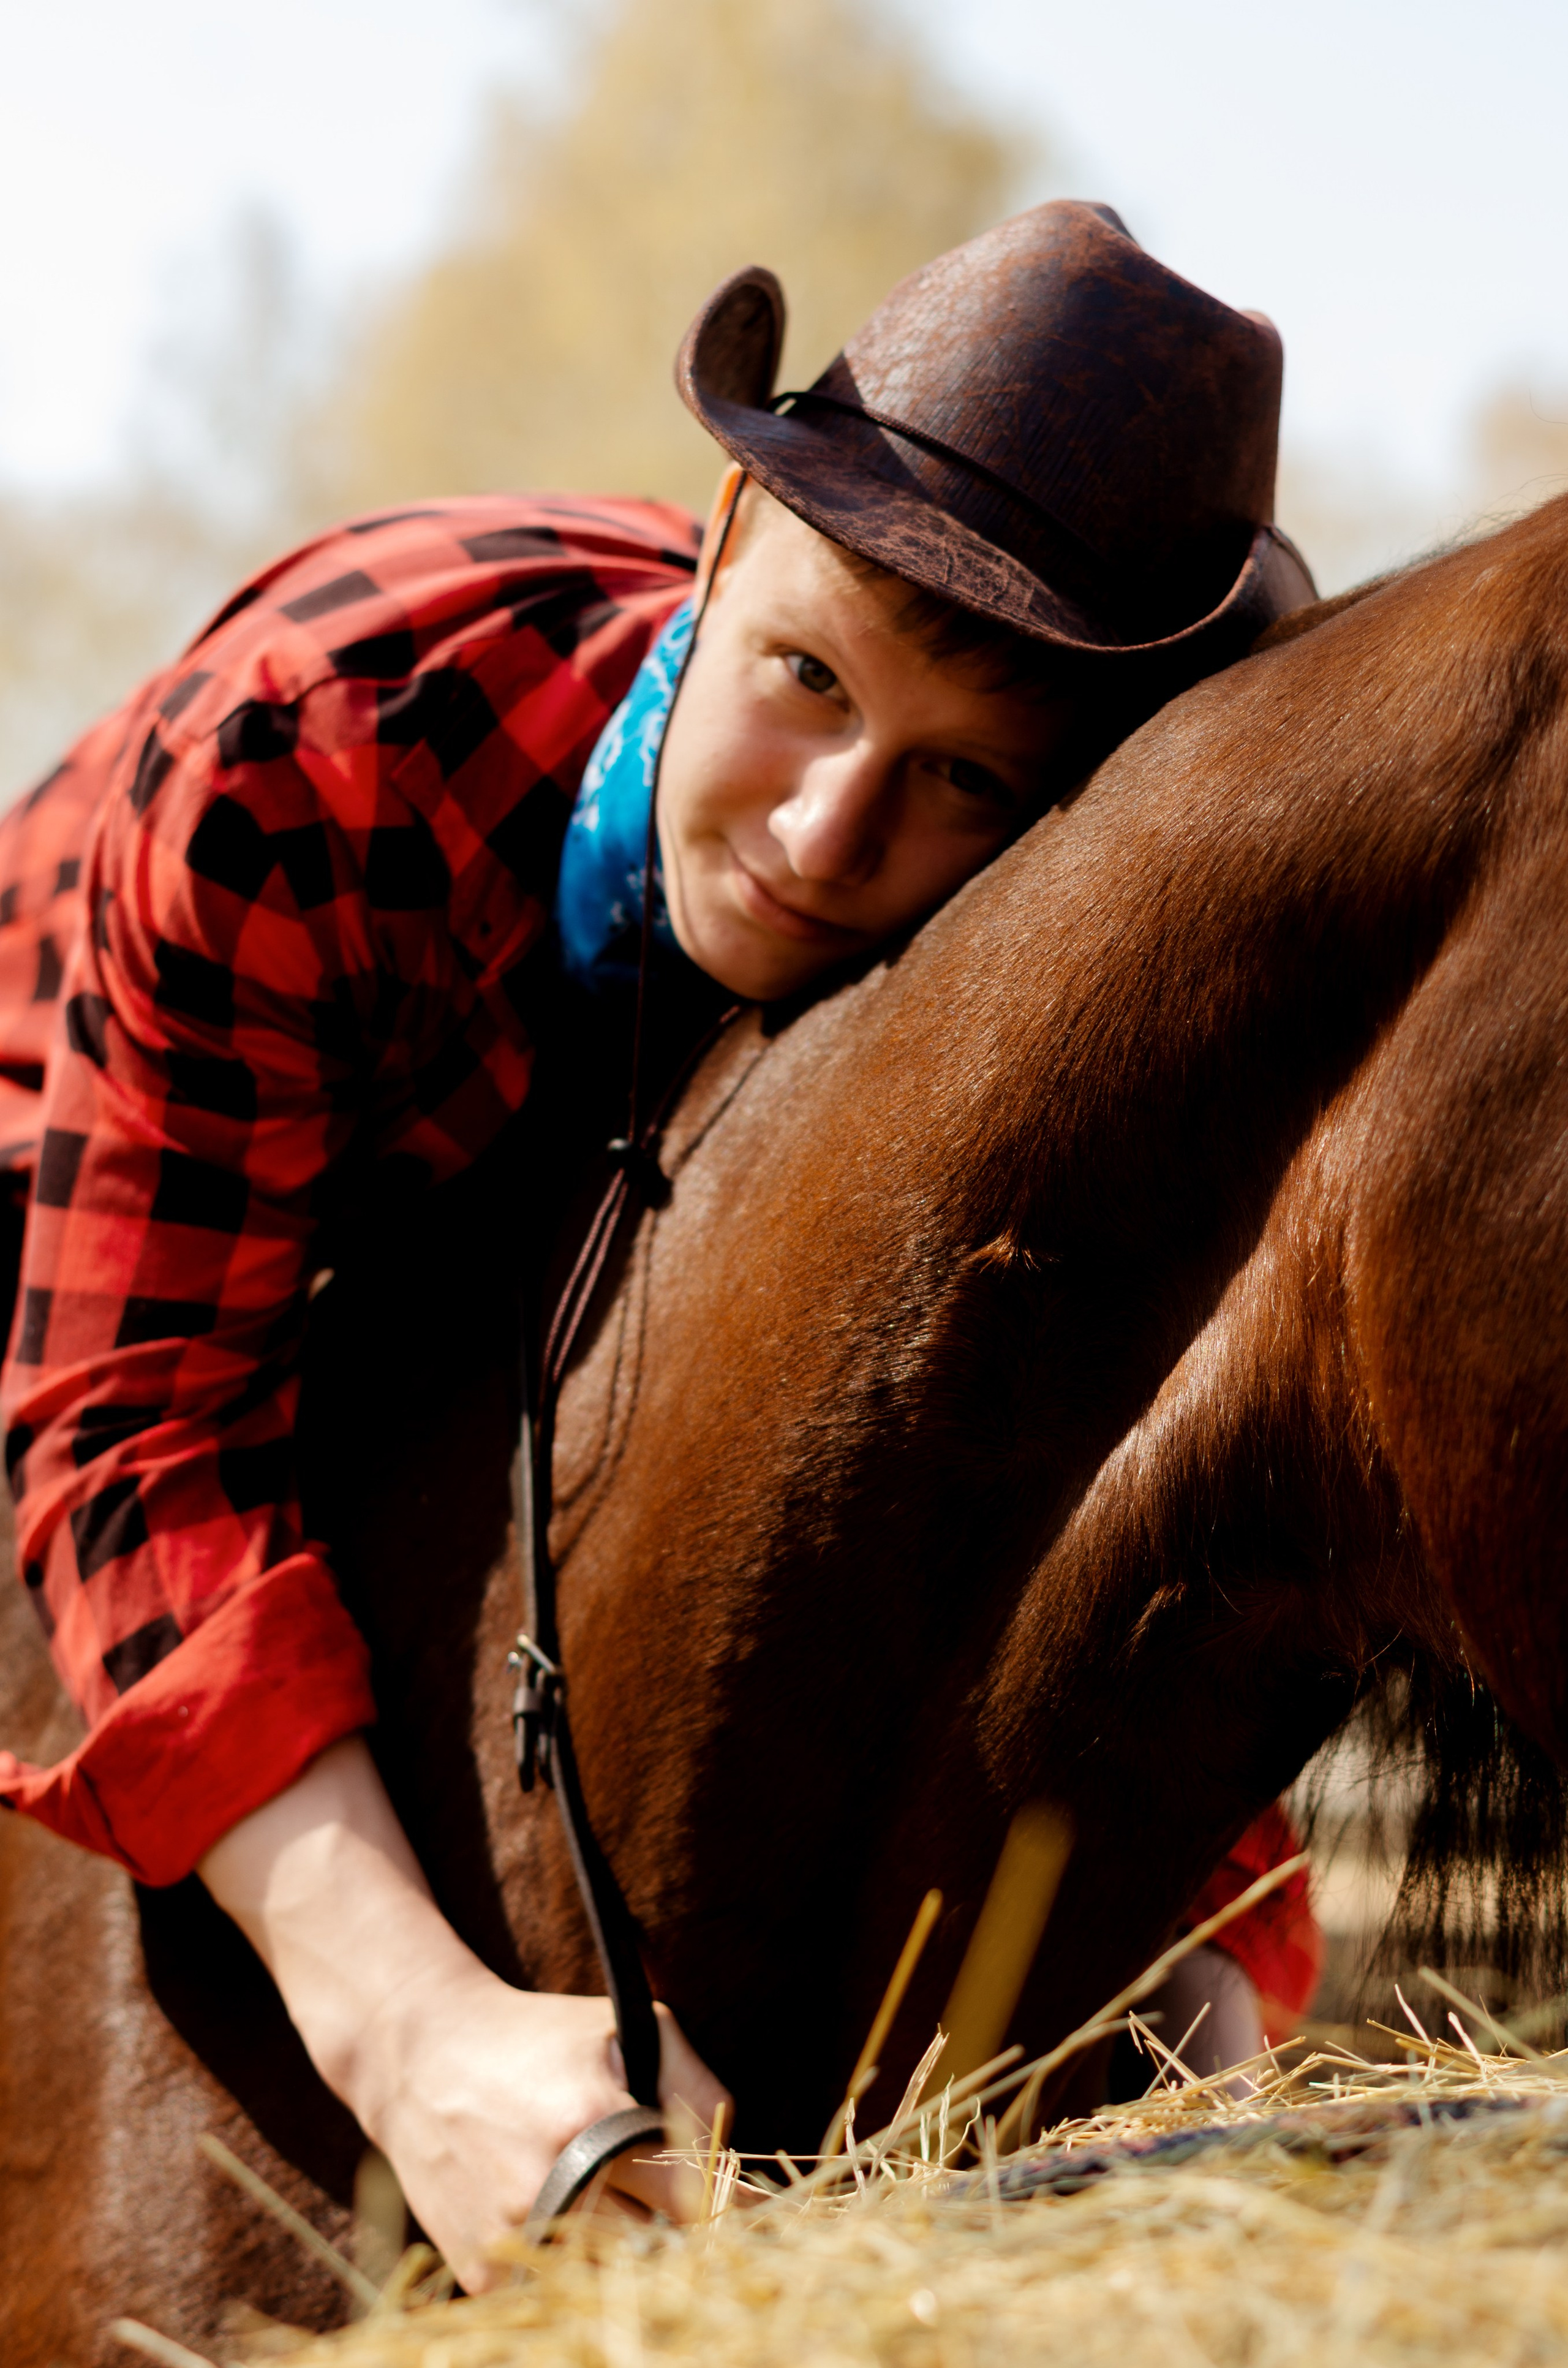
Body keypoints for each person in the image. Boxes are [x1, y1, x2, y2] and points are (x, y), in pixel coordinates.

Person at [0, 201, 1321, 2287]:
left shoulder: (1033, 987)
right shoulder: (314, 749)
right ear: (720, 536)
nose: (821, 840)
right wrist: (415, 2029)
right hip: (77, 1192)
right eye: (804, 676)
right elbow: (129, 1424)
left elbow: (1099, 1482)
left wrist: (1218, 1996)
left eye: (962, 779)